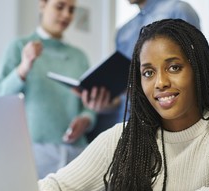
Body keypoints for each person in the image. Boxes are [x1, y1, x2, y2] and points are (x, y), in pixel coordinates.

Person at [40, 19, 209, 191]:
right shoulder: (123, 138)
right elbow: (56, 186)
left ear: (199, 69)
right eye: (148, 73)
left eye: (174, 67)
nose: (160, 82)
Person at [0, 0, 105, 178]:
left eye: (71, 10)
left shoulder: (79, 57)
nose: (67, 15)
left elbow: (88, 104)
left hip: (77, 156)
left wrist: (86, 118)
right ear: (42, 4)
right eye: (60, 6)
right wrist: (23, 67)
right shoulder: (19, 47)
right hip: (33, 155)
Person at [85, 0, 201, 142]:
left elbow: (195, 69)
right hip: (132, 125)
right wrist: (107, 104)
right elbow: (127, 92)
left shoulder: (178, 10)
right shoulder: (124, 31)